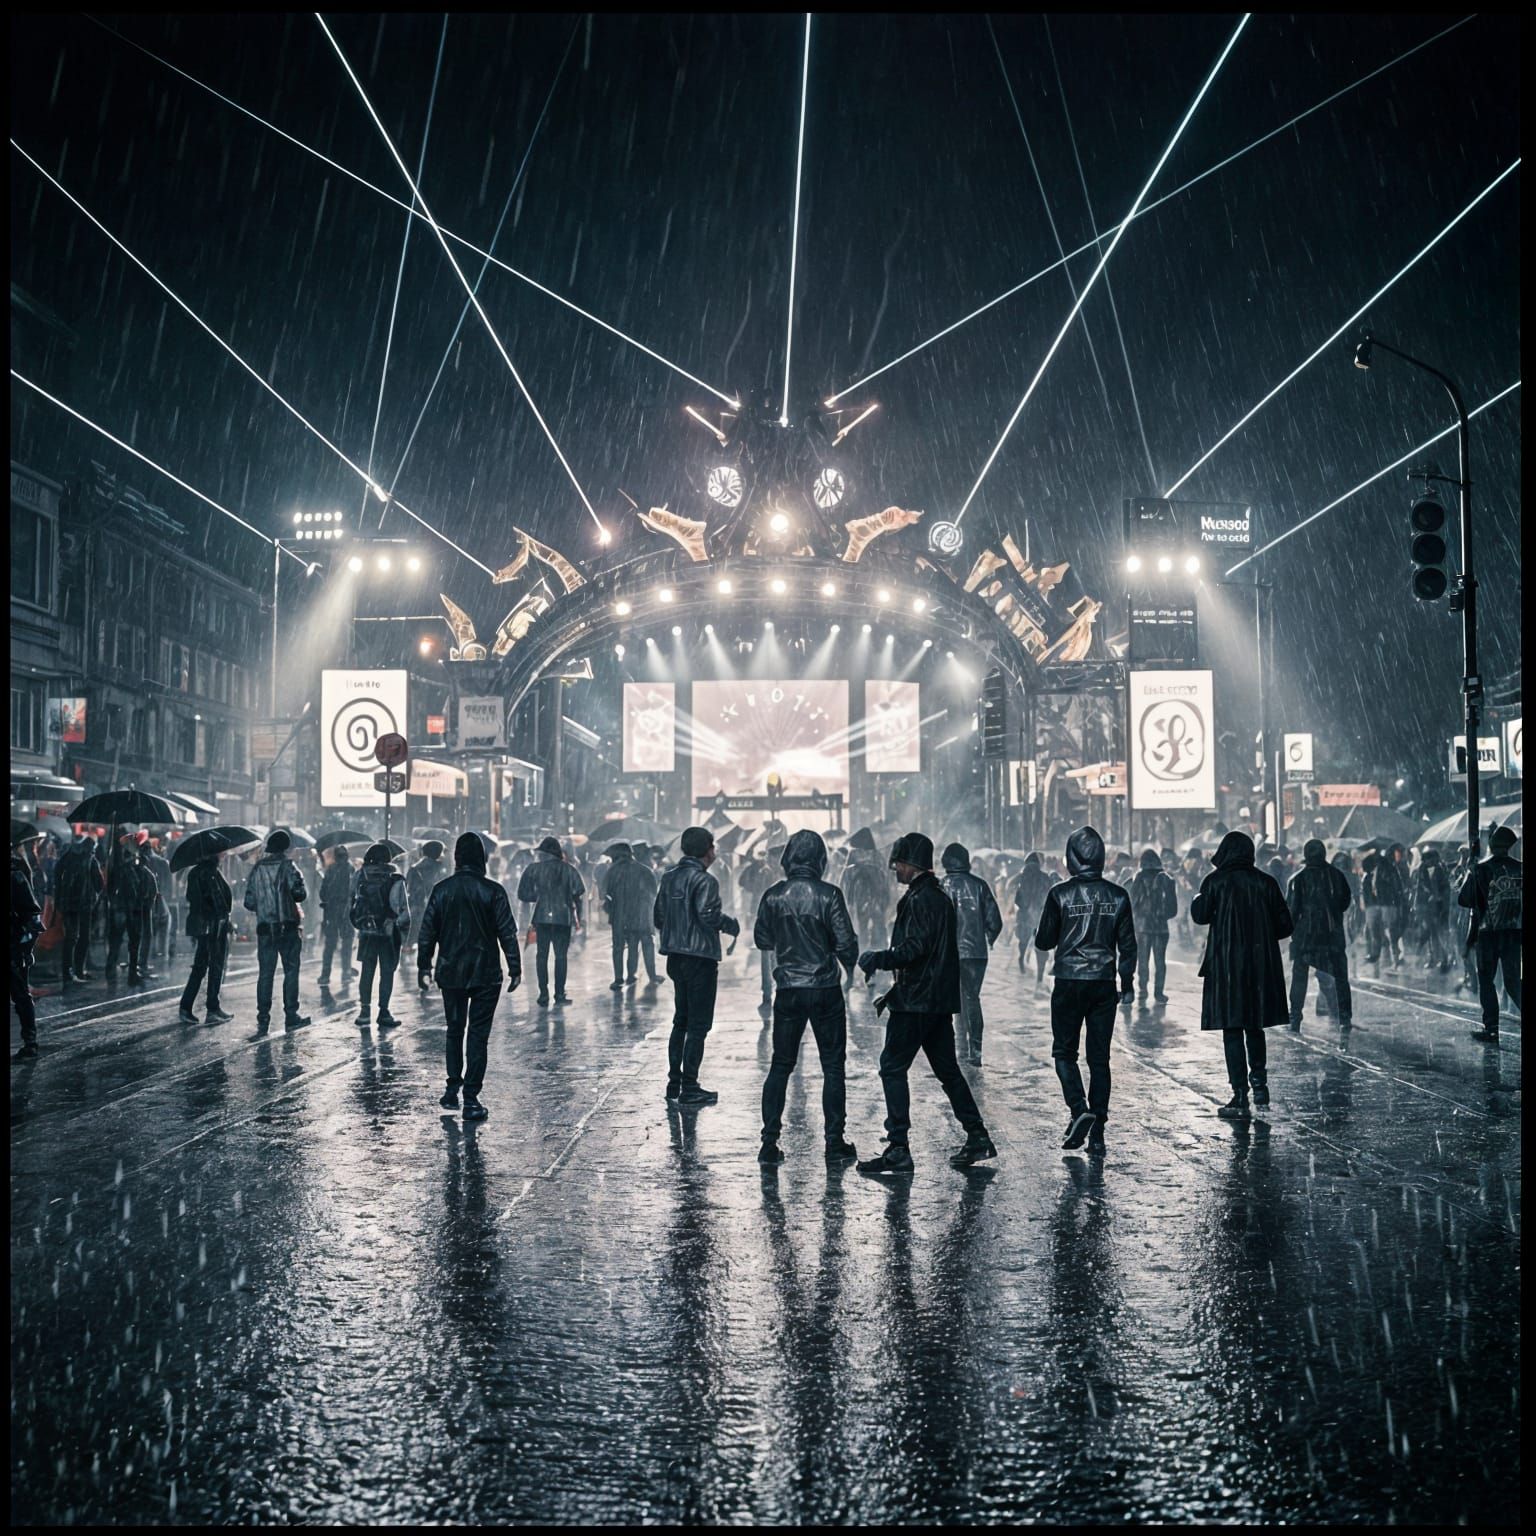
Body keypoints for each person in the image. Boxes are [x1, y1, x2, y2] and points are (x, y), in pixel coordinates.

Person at [855, 832, 996, 1175]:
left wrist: (879, 958)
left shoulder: (920, 900)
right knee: (948, 1070)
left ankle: (898, 1147)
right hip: (935, 1002)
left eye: (898, 863)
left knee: (891, 1066)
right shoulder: (937, 896)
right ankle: (977, 1135)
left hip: (917, 1000)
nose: (894, 869)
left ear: (912, 864)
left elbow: (914, 949)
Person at [754, 830, 860, 1164]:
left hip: (788, 989)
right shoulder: (830, 895)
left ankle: (769, 1143)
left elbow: (761, 939)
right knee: (832, 1067)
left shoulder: (773, 896)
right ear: (820, 859)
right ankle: (834, 1142)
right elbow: (846, 946)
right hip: (825, 989)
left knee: (781, 1066)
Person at [1033, 826, 1135, 1154]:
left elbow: (1044, 941)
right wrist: (1128, 983)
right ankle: (1098, 1133)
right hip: (1103, 984)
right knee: (1099, 1059)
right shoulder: (1118, 895)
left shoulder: (1059, 894)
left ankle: (1079, 1110)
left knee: (1064, 1053)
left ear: (1070, 858)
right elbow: (1128, 946)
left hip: (1068, 982)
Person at [418, 832, 522, 1119]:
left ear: (456, 858)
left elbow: (427, 932)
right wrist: (514, 966)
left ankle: (452, 1088)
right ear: (482, 859)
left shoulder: (442, 890)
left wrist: (423, 966)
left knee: (454, 1030)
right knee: (477, 1035)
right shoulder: (494, 891)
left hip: (450, 971)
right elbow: (507, 932)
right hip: (486, 973)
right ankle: (472, 1098)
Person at [1191, 830, 1294, 1119]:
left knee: (1232, 1028)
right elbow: (1285, 926)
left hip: (1226, 967)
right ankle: (1260, 1084)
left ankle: (1239, 1094)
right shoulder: (1267, 883)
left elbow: (1199, 915)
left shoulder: (1214, 882)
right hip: (1259, 966)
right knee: (1254, 1024)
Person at [654, 826, 741, 1106]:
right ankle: (690, 1085)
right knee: (698, 1025)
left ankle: (674, 1082)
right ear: (706, 850)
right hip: (700, 958)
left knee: (681, 1020)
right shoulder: (705, 881)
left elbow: (658, 917)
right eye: (713, 847)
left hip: (675, 958)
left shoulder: (668, 879)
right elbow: (708, 915)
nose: (715, 852)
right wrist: (730, 925)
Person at [938, 842, 1003, 1066]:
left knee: (952, 1001)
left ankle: (957, 1047)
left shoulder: (940, 886)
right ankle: (975, 1048)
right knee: (972, 998)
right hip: (975, 953)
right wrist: (990, 937)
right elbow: (995, 920)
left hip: (947, 954)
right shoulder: (980, 886)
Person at [1458, 825, 1521, 1044]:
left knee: (1487, 981)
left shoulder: (1482, 869)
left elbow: (1465, 900)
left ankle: (1492, 1029)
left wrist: (1471, 872)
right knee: (1513, 983)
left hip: (1488, 933)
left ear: (1493, 845)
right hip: (1513, 933)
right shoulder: (1520, 869)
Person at [244, 829, 310, 1032]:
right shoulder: (289, 867)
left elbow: (249, 902)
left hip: (265, 929)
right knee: (291, 972)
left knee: (265, 974)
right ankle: (291, 1015)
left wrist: (265, 906)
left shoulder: (256, 869)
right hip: (288, 928)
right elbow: (300, 894)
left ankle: (263, 1017)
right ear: (286, 847)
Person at [1286, 838, 1353, 1030]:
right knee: (1340, 977)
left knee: (1299, 976)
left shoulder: (1297, 880)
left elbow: (1291, 910)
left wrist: (1292, 933)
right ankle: (1345, 1017)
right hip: (1332, 936)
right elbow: (1344, 902)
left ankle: (1295, 1016)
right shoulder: (1337, 876)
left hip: (1305, 938)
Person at [517, 835, 584, 1006]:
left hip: (541, 918)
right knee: (561, 956)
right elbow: (578, 894)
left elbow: (522, 894)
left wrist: (539, 897)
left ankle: (543, 994)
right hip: (563, 918)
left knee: (542, 955)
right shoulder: (570, 870)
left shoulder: (533, 869)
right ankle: (560, 995)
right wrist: (579, 919)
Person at [351, 842, 410, 1027]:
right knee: (387, 972)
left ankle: (364, 1011)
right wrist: (404, 935)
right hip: (388, 932)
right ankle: (384, 1012)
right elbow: (403, 911)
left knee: (367, 971)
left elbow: (352, 901)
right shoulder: (396, 878)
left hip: (367, 931)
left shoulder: (360, 875)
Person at [177, 850, 235, 1024]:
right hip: (213, 925)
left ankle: (190, 1007)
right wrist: (225, 920)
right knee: (213, 966)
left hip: (205, 925)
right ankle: (211, 1009)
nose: (224, 854)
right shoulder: (209, 873)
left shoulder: (198, 872)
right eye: (222, 852)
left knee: (201, 966)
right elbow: (218, 901)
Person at [601, 842, 660, 989]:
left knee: (619, 947)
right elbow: (654, 893)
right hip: (643, 915)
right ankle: (651, 975)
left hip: (620, 916)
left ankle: (619, 978)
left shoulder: (612, 872)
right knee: (645, 944)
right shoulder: (645, 870)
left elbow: (603, 894)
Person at [1129, 847, 1178, 1005]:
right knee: (1160, 961)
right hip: (1161, 927)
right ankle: (1159, 992)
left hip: (1143, 927)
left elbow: (1133, 902)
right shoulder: (1167, 880)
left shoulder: (1137, 878)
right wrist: (1162, 915)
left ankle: (1143, 990)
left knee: (1142, 960)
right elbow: (1173, 908)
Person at [105, 840, 159, 984]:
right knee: (132, 943)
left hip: (123, 910)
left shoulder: (120, 870)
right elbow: (143, 893)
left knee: (119, 941)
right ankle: (130, 974)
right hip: (130, 910)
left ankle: (113, 970)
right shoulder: (134, 872)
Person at [53, 834, 105, 983]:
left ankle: (68, 972)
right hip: (84, 905)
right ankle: (79, 970)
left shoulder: (67, 857)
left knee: (70, 938)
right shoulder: (91, 860)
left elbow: (57, 874)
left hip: (68, 903)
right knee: (83, 937)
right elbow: (99, 884)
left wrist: (60, 895)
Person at [11, 842, 44, 1059]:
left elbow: (33, 917)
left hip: (13, 944)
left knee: (20, 993)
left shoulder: (16, 878)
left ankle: (30, 1041)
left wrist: (24, 947)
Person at [737, 848, 777, 1012]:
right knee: (768, 956)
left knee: (770, 956)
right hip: (766, 913)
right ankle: (767, 993)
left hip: (768, 913)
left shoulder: (767, 872)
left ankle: (768, 993)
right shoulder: (764, 872)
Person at [405, 840, 450, 983]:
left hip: (419, 909)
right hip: (440, 910)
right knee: (443, 943)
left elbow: (409, 890)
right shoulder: (442, 868)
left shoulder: (414, 869)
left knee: (425, 944)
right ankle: (440, 973)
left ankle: (424, 972)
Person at [317, 846, 357, 992]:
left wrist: (328, 901)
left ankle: (325, 975)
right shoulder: (352, 870)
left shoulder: (331, 870)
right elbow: (355, 892)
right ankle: (346, 972)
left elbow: (323, 892)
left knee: (330, 945)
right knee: (346, 944)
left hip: (332, 912)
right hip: (346, 913)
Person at [1012, 852, 1056, 982]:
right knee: (1041, 947)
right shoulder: (1044, 877)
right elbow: (1050, 893)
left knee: (1023, 941)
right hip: (1040, 915)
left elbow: (1011, 888)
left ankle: (1021, 957)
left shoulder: (1021, 876)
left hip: (1024, 915)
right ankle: (1040, 977)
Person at [1360, 846, 1403, 973]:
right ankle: (1377, 956)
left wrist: (1397, 903)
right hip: (1374, 905)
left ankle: (1395, 959)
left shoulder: (1388, 870)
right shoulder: (1368, 875)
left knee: (1390, 932)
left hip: (1386, 903)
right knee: (1375, 931)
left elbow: (1396, 887)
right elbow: (1366, 891)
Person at [1411, 846, 1452, 972]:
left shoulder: (1441, 871)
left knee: (1440, 934)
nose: (1432, 861)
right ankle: (1433, 958)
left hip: (1439, 908)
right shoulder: (1421, 871)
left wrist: (1439, 897)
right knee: (1430, 934)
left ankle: (1444, 959)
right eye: (1429, 859)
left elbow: (1446, 889)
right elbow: (1418, 890)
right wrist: (1416, 906)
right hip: (1425, 907)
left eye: (1433, 858)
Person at [145, 839, 175, 966]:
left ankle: (149, 955)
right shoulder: (163, 862)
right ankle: (163, 955)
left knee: (149, 931)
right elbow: (169, 885)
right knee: (164, 932)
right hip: (161, 901)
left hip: (146, 902)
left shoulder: (143, 862)